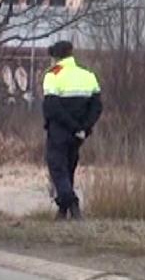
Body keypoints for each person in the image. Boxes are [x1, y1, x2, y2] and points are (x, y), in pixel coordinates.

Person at [42, 41, 102, 220]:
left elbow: (52, 107)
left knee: (57, 169)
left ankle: (72, 203)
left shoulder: (52, 75)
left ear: (55, 57)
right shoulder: (88, 75)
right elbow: (97, 106)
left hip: (60, 131)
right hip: (79, 134)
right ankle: (63, 212)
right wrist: (84, 127)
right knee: (68, 169)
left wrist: (72, 126)